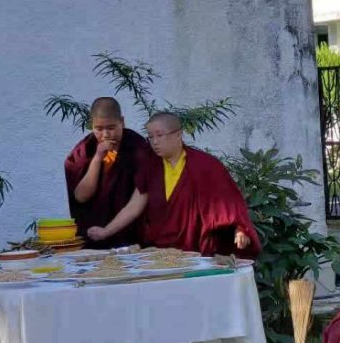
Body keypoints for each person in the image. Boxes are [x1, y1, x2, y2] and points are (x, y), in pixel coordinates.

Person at [87, 112, 260, 257]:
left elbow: (229, 205)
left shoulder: (206, 166)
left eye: (159, 135)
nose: (154, 142)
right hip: (159, 253)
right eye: (150, 136)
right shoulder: (150, 166)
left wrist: (240, 229)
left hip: (196, 253)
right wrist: (106, 231)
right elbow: (134, 206)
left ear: (178, 134)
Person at [64, 97, 152, 249]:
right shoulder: (85, 150)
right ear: (92, 125)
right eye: (99, 129)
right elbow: (80, 196)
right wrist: (98, 158)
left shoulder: (138, 148)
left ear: (122, 122)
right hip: (93, 233)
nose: (105, 134)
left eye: (111, 128)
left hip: (131, 234)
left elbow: (142, 196)